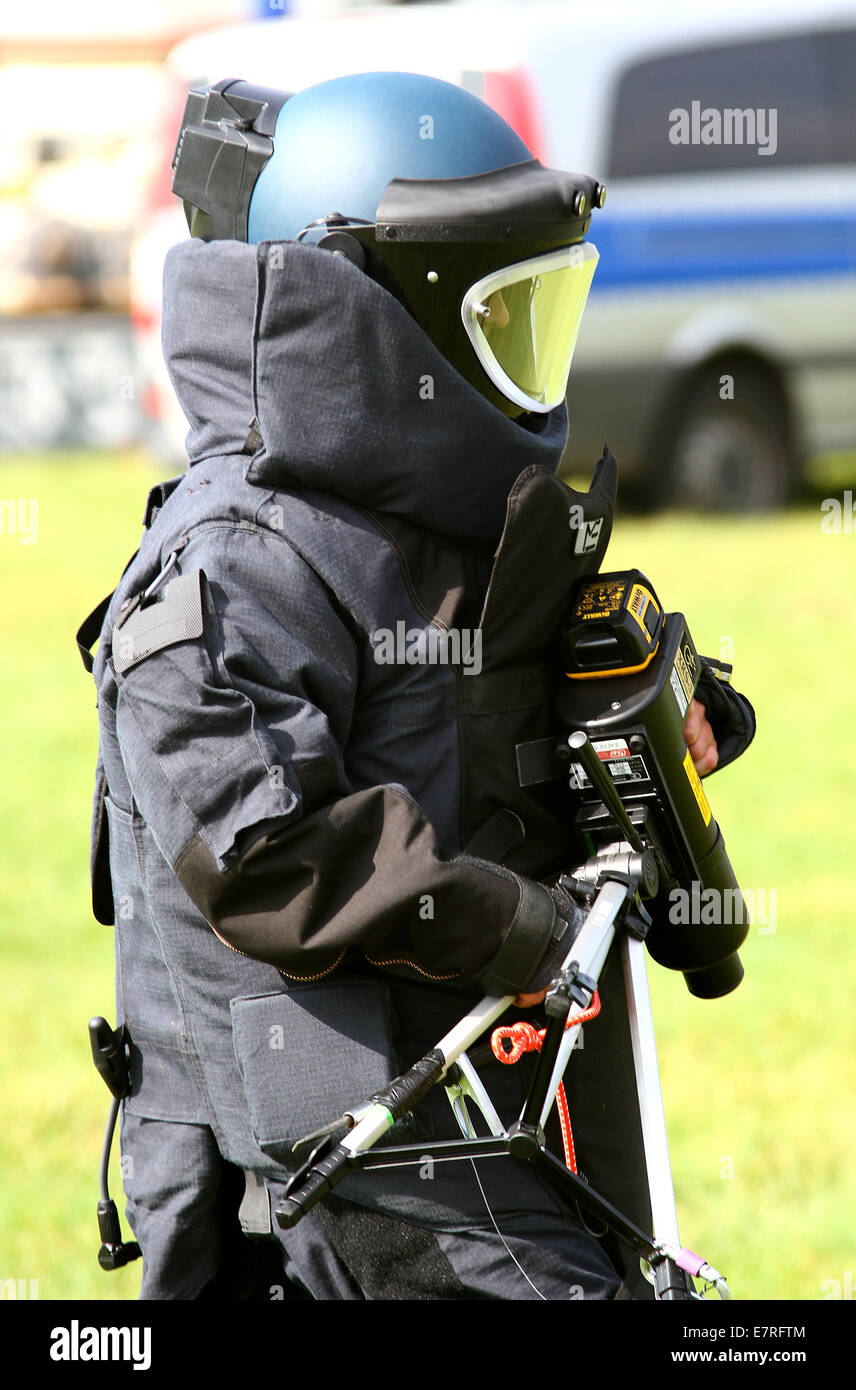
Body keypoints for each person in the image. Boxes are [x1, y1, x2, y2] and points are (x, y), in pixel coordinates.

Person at [80, 72, 754, 1300]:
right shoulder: (233, 569)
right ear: (377, 321)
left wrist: (661, 714)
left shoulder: (448, 518)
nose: (529, 361)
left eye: (544, 313)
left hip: (499, 1084)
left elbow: (495, 705)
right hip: (341, 1135)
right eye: (503, 318)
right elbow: (273, 853)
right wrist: (531, 927)